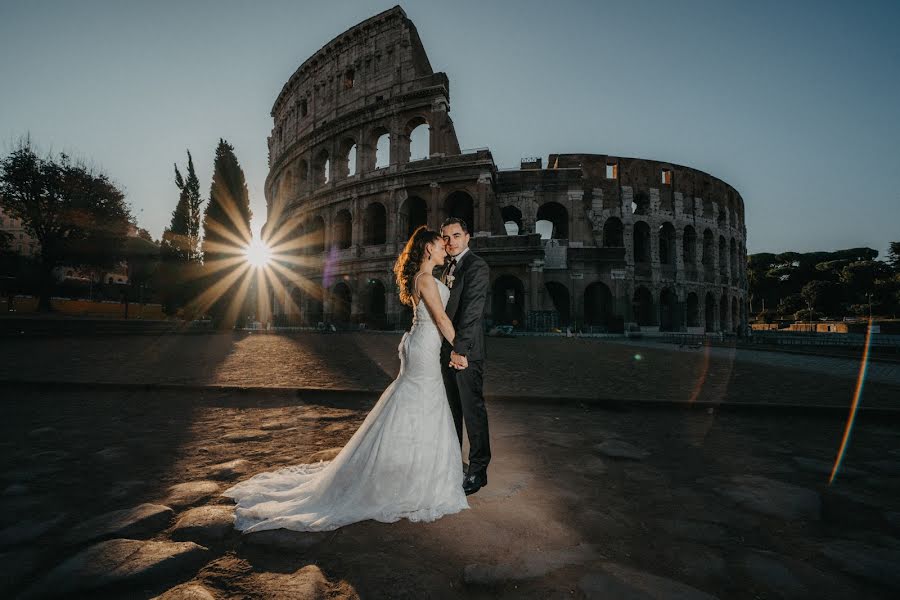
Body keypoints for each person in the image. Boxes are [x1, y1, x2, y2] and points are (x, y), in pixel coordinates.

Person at [222, 227, 468, 532]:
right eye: (440, 243)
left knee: (418, 403)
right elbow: (442, 319)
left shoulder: (426, 277)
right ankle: (410, 476)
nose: (446, 246)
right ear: (428, 249)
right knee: (420, 402)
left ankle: (413, 471)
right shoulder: (427, 279)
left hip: (422, 345)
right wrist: (460, 347)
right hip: (424, 347)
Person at [439, 217, 492, 496]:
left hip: (466, 353)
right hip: (446, 351)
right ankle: (452, 463)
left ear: (468, 237)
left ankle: (478, 471)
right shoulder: (445, 267)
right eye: (446, 237)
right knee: (451, 412)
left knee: (473, 412)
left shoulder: (476, 266)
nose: (451, 242)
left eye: (456, 236)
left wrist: (460, 350)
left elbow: (472, 312)